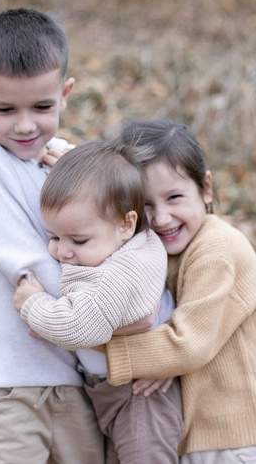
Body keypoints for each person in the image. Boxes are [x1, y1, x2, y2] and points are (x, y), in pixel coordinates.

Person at [0, 8, 104, 463]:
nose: (24, 125)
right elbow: (25, 263)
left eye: (42, 107)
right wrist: (98, 330)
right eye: (5, 109)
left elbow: (117, 243)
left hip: (75, 382)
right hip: (9, 383)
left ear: (65, 94)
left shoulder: (71, 162)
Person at [105, 119, 256, 463]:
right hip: (206, 432)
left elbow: (188, 344)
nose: (161, 218)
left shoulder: (216, 250)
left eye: (174, 197)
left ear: (206, 188)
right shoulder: (162, 251)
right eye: (146, 205)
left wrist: (106, 352)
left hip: (240, 436)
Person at [13, 140, 182, 464]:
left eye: (78, 240)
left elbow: (77, 326)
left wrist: (33, 304)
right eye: (54, 237)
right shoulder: (126, 237)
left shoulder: (123, 271)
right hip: (116, 389)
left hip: (139, 398)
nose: (62, 251)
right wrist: (75, 176)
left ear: (126, 224)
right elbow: (112, 194)